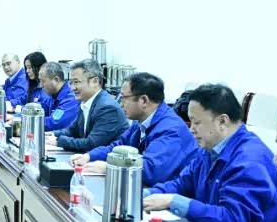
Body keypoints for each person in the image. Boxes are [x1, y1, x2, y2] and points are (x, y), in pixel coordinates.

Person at [143, 83, 277, 222]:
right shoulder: (209, 149)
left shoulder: (250, 160)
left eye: (196, 122)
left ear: (222, 121)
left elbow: (234, 219)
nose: (191, 129)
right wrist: (147, 195)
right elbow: (182, 184)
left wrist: (174, 202)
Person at [70, 72, 198, 186]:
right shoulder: (140, 122)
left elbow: (151, 171)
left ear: (143, 101)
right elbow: (118, 147)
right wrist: (88, 156)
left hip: (167, 195)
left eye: (124, 98)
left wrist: (109, 167)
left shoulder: (171, 129)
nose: (120, 104)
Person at [49, 59, 128, 153]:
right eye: (71, 83)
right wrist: (51, 134)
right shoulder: (85, 102)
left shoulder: (107, 108)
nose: (72, 88)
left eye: (76, 82)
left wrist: (58, 141)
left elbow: (92, 144)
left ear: (95, 81)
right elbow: (72, 131)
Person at [36, 62, 79, 132]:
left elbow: (54, 123)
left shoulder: (71, 99)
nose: (41, 85)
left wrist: (29, 121)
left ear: (56, 79)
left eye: (43, 81)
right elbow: (40, 107)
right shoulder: (54, 95)